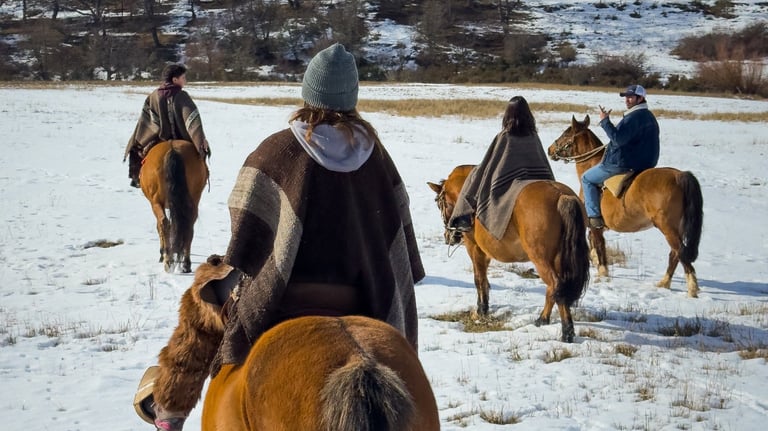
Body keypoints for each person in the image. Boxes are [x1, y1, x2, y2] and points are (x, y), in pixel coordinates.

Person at [133, 43, 424, 431]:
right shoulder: (377, 156)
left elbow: (246, 232)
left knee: (205, 291)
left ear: (309, 92)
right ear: (351, 96)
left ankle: (170, 406)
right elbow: (398, 235)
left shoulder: (278, 149)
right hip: (366, 295)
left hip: (282, 295)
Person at [448, 95, 555, 239]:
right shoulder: (533, 135)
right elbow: (542, 161)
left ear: (508, 114)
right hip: (536, 177)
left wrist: (484, 171)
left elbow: (491, 163)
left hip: (509, 179)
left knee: (475, 174)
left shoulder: (505, 136)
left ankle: (463, 217)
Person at [583, 84, 660, 229]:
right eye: (626, 97)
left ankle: (594, 218)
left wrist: (605, 121)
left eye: (630, 97)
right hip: (646, 162)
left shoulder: (634, 117)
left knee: (586, 179)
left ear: (640, 98)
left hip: (623, 163)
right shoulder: (649, 116)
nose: (627, 100)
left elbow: (618, 139)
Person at [124, 63, 210, 188]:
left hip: (158, 139)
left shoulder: (153, 96)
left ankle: (136, 177)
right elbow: (192, 120)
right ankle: (202, 177)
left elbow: (146, 121)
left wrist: (139, 140)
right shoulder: (183, 96)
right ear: (175, 80)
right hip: (182, 138)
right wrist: (201, 141)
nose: (185, 81)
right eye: (183, 78)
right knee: (201, 152)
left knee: (136, 148)